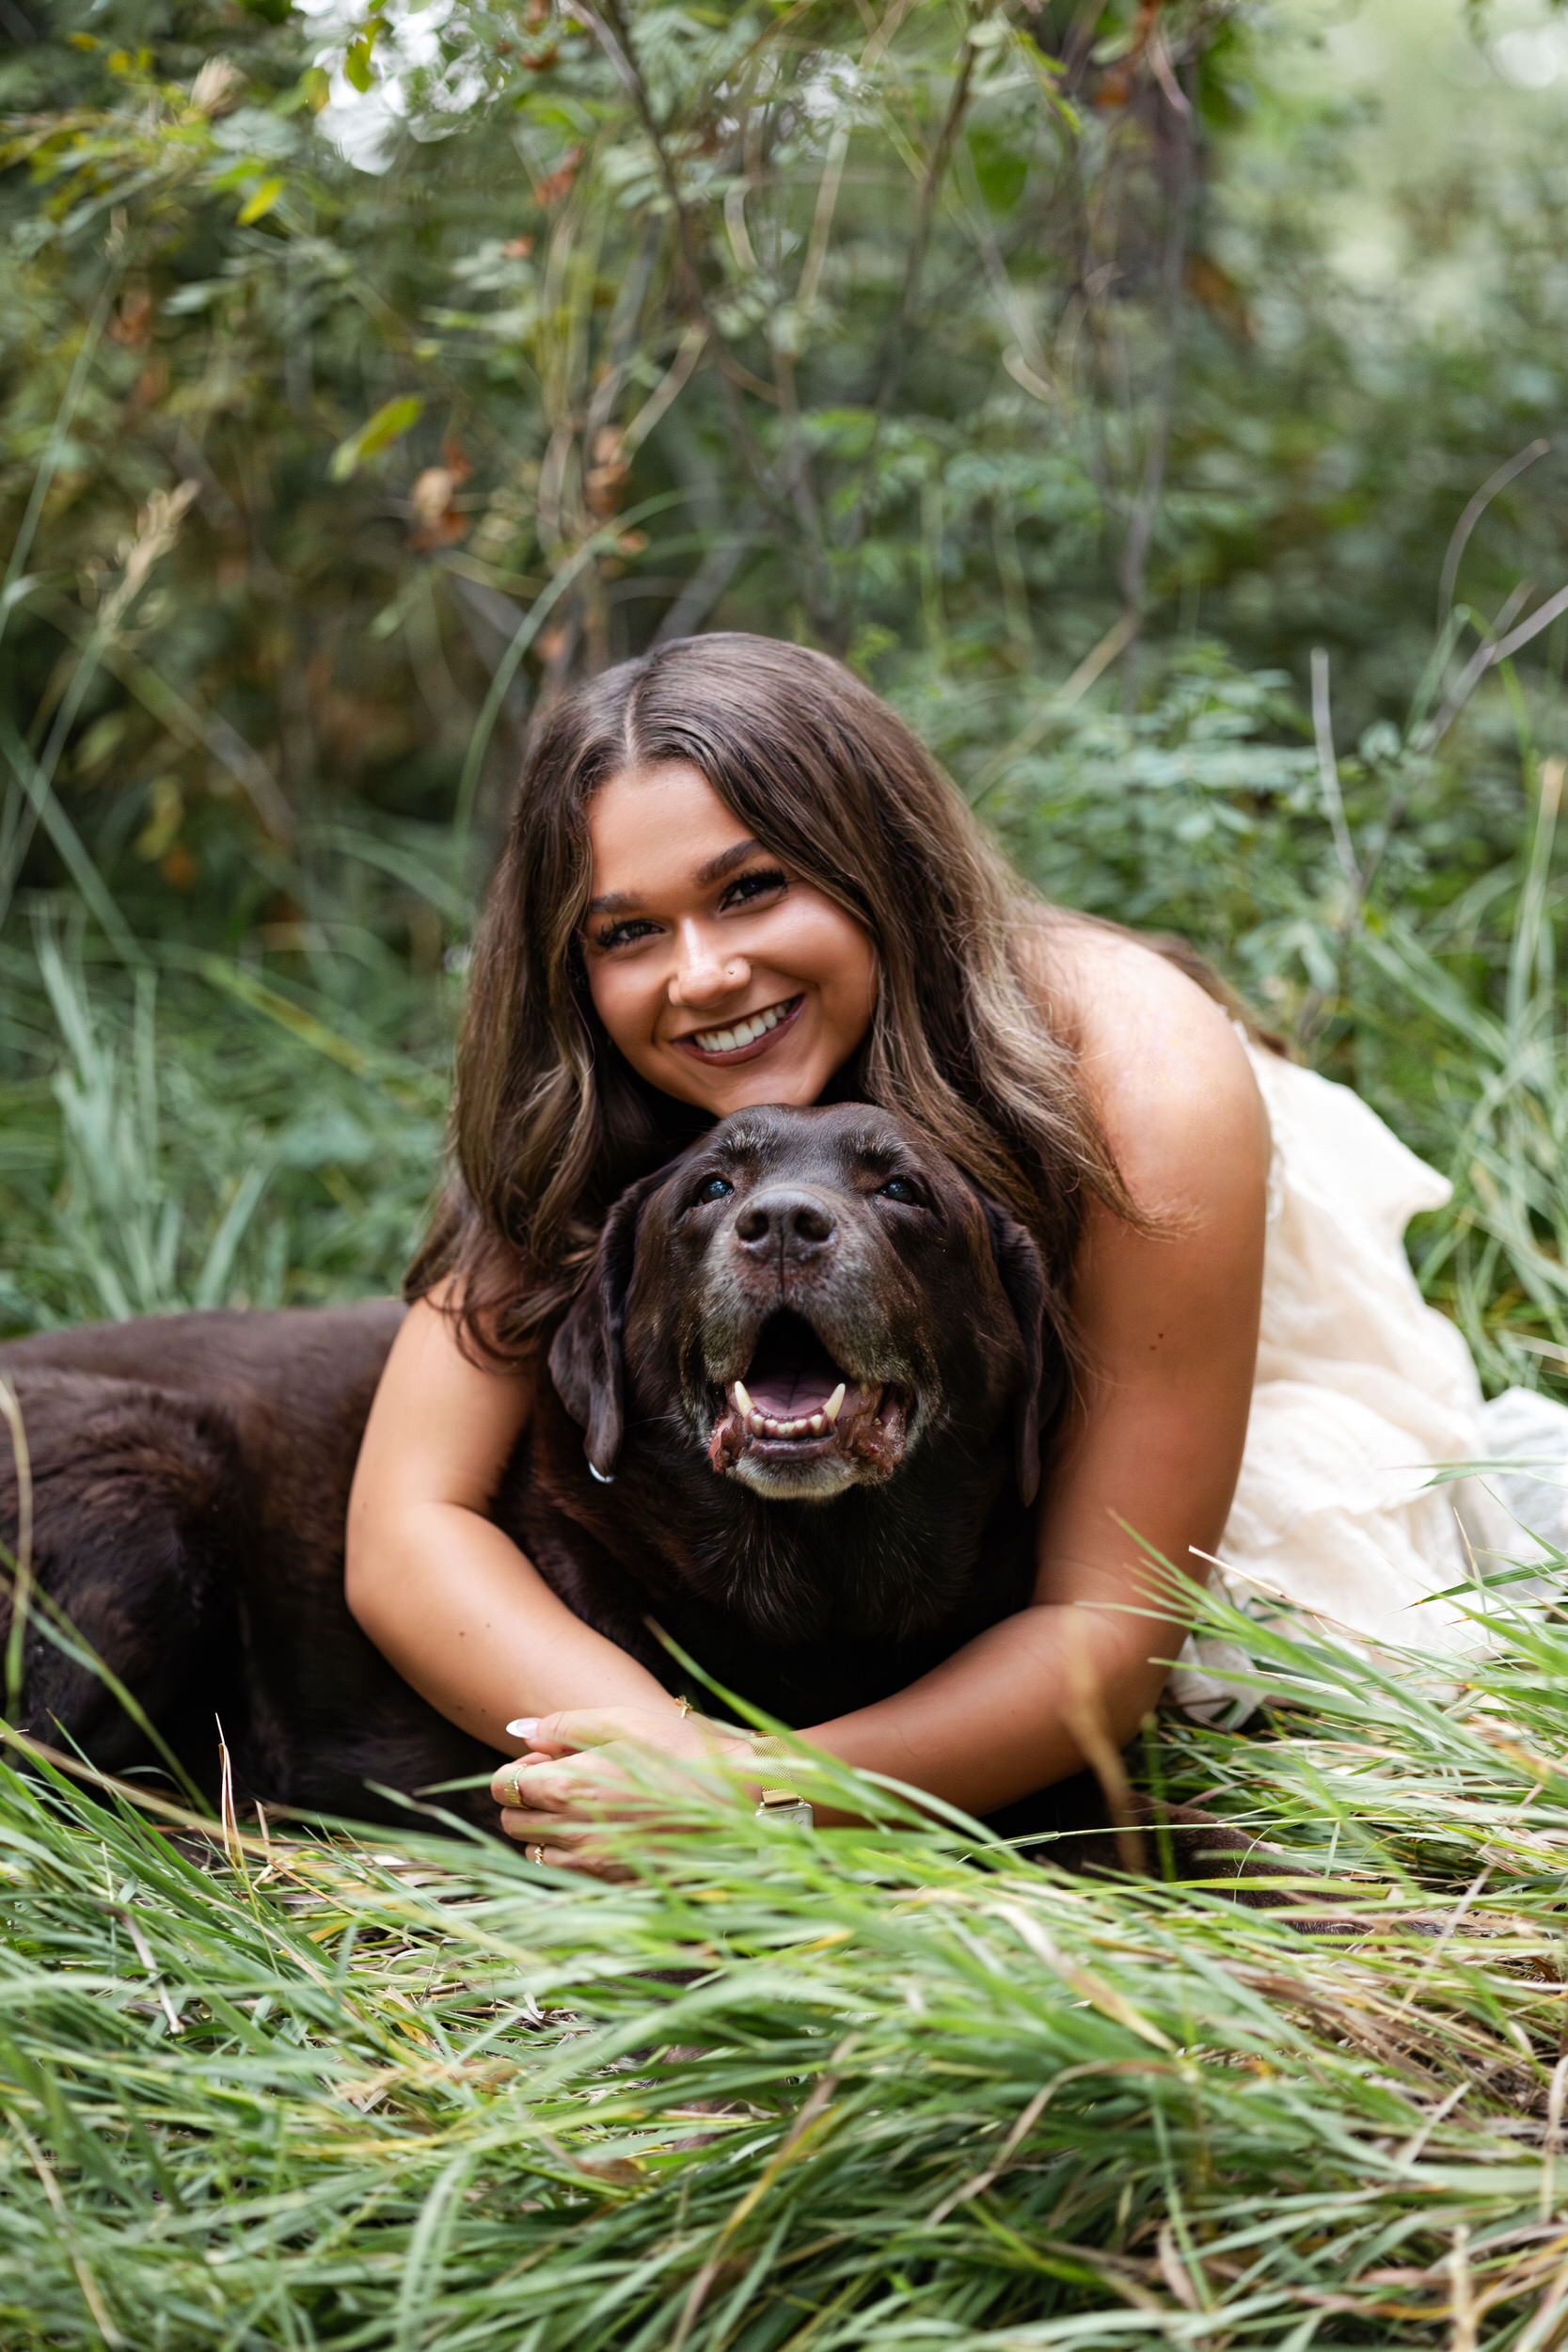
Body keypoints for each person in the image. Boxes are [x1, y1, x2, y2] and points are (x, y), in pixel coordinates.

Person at [345, 633, 1565, 1868]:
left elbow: (1104, 1624)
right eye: (627, 934)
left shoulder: (1139, 1069)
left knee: (1327, 1664)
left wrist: (759, 1796)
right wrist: (656, 1754)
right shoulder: (599, 1090)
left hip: (1201, 1402)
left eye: (752, 888)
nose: (706, 974)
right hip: (922, 1486)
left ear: (877, 861)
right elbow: (405, 1524)